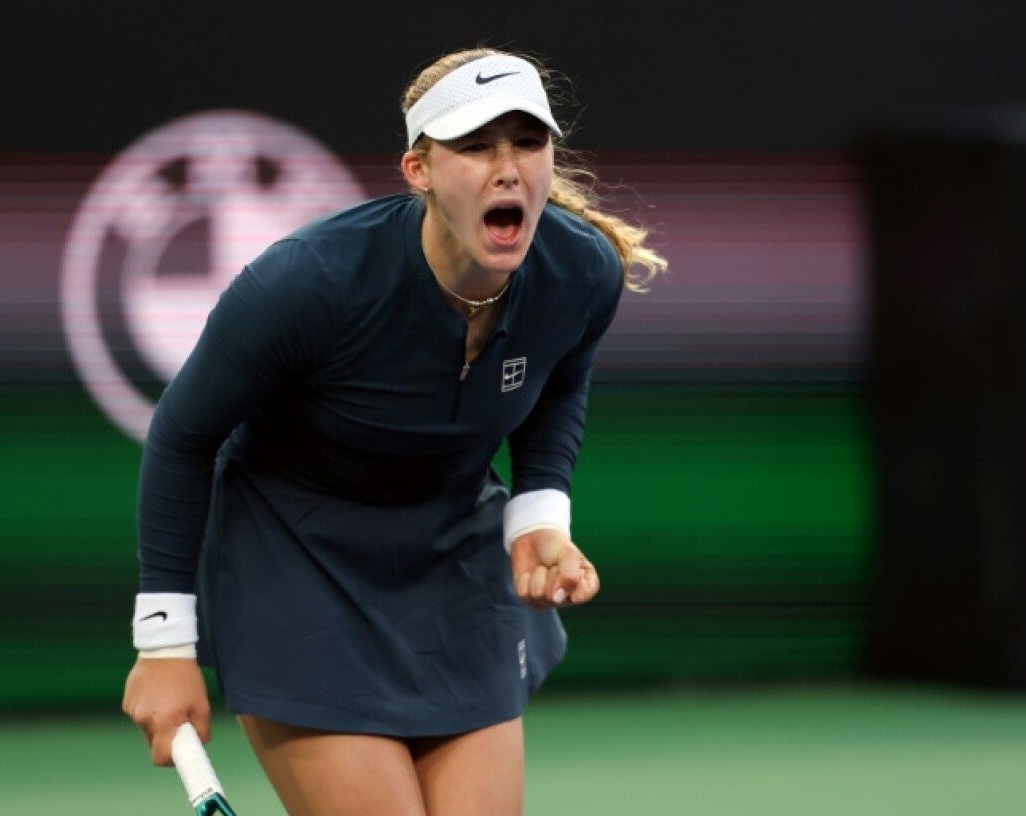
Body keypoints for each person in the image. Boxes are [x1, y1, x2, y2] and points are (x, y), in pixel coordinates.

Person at [122, 44, 667, 815]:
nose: (508, 168)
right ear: (418, 170)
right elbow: (182, 437)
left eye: (528, 142)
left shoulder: (581, 273)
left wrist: (539, 514)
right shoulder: (307, 283)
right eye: (475, 146)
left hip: (453, 557)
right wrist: (164, 643)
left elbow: (558, 383)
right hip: (299, 559)